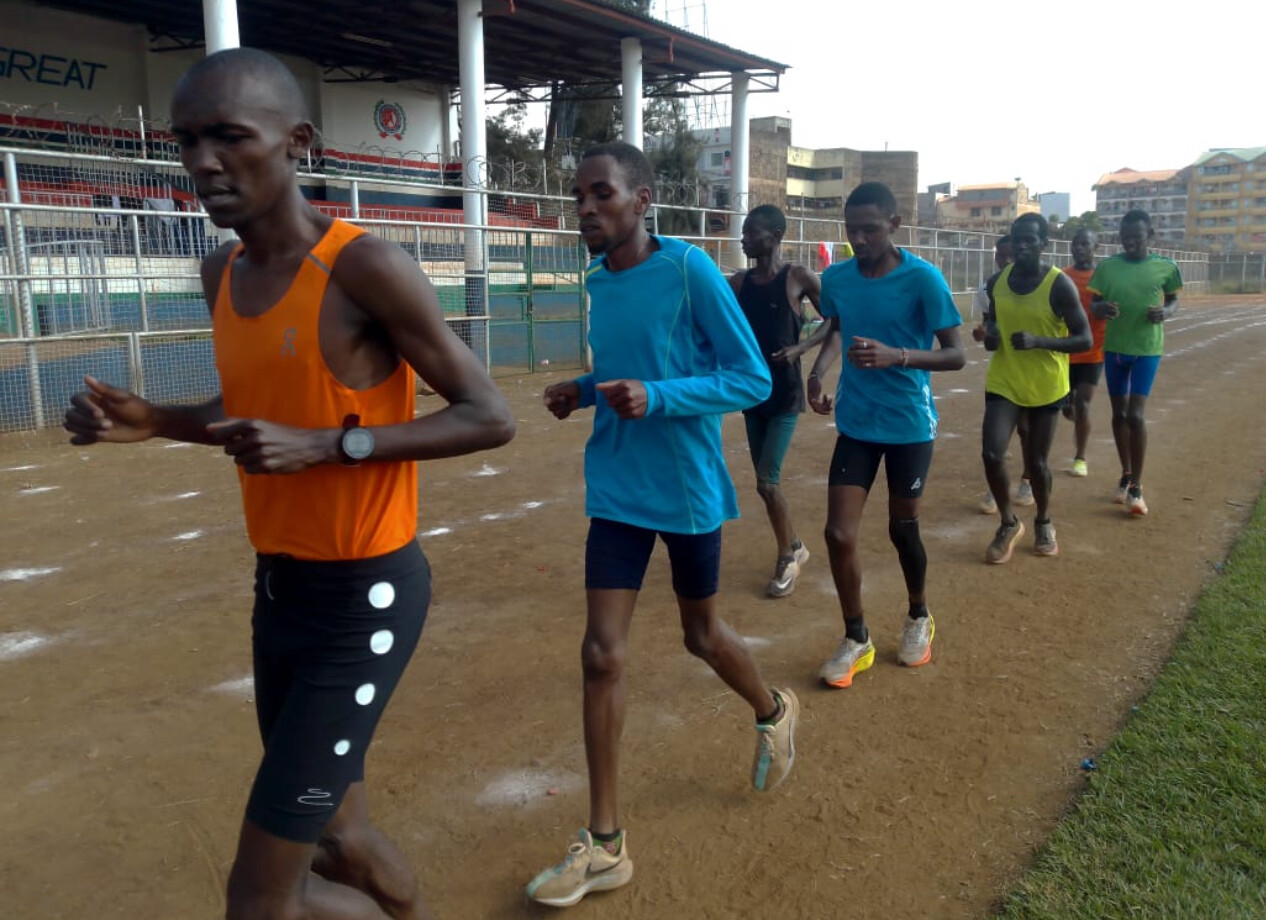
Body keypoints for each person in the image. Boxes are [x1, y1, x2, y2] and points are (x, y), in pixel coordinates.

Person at [63, 48, 516, 920]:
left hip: (364, 602)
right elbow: (251, 413)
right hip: (281, 594)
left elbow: (489, 415)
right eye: (187, 141)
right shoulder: (221, 273)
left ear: (297, 142)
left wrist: (329, 446)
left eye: (229, 136)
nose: (203, 162)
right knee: (342, 842)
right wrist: (158, 419)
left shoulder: (362, 267)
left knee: (262, 902)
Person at [529, 142, 799, 908]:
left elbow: (749, 377)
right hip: (617, 485)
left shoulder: (689, 270)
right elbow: (636, 362)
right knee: (601, 655)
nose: (586, 208)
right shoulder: (597, 277)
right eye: (579, 196)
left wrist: (658, 397)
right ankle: (605, 844)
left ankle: (773, 710)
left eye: (601, 194)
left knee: (700, 636)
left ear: (642, 200)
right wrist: (584, 390)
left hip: (684, 488)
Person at [807, 181, 965, 686]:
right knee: (837, 533)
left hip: (908, 424)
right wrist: (817, 374)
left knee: (902, 528)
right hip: (857, 422)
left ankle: (919, 614)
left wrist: (897, 356)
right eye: (851, 230)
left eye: (870, 230)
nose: (859, 239)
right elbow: (838, 327)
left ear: (895, 225)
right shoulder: (838, 277)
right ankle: (857, 638)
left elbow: (956, 354)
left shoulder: (923, 279)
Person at [980, 214, 1091, 562]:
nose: (1022, 246)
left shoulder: (1059, 285)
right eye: (1017, 239)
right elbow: (992, 327)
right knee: (992, 453)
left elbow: (1084, 339)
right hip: (1005, 380)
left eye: (1030, 239)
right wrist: (991, 336)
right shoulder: (997, 282)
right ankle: (1008, 523)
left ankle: (1043, 520)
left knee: (1037, 462)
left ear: (1044, 243)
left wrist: (1040, 341)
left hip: (1046, 385)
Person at [729, 204, 827, 597]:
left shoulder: (798, 277)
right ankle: (796, 545)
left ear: (775, 236)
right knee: (764, 484)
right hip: (752, 394)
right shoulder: (739, 283)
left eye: (751, 233)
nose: (744, 239)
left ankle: (788, 557)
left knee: (767, 482)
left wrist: (800, 348)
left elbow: (835, 319)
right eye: (744, 232)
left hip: (786, 394)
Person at [1088, 210, 1182, 515]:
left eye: (1136, 237)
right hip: (1115, 349)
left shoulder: (1166, 267)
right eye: (1125, 237)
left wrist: (1166, 312)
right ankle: (1126, 473)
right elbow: (1093, 303)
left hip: (1147, 349)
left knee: (1136, 415)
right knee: (1119, 414)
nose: (1129, 242)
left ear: (1150, 236)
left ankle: (1137, 487)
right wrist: (1101, 308)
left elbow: (1173, 300)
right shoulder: (1107, 268)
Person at [972, 235, 1033, 513]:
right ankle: (995, 490)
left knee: (1026, 430)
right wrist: (984, 335)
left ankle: (1027, 481)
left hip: (1035, 371)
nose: (1006, 261)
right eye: (1001, 255)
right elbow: (991, 332)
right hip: (1002, 371)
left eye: (1012, 255)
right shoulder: (990, 288)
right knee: (996, 438)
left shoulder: (1040, 284)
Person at [1061, 229, 1104, 476]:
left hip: (1092, 352)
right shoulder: (1062, 277)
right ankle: (1074, 416)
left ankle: (1080, 458)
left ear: (1095, 247)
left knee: (1083, 403)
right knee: (1067, 408)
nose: (1079, 248)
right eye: (1075, 244)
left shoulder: (1103, 279)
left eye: (1085, 244)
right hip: (1064, 351)